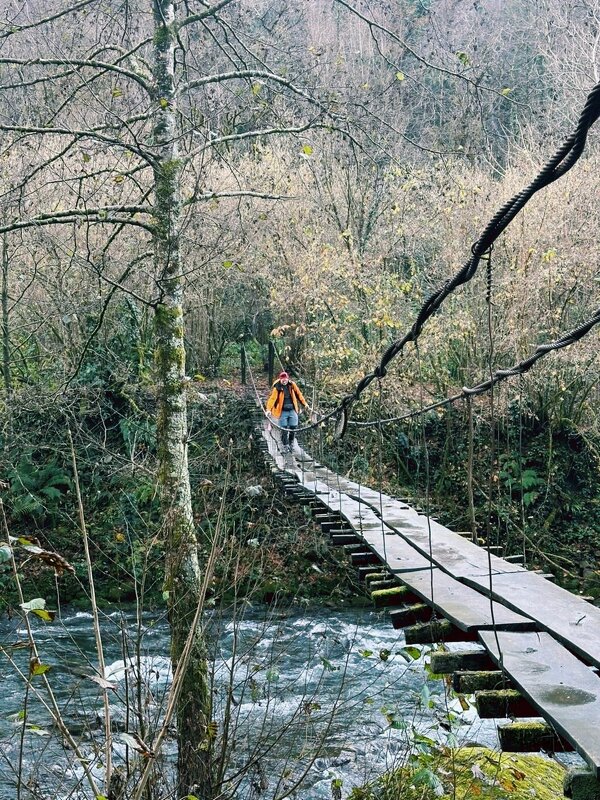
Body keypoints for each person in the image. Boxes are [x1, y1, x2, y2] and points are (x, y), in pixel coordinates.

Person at [266, 371, 308, 452]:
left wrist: (305, 404)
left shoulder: (292, 385)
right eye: (282, 380)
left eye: (285, 379)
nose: (284, 381)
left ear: (288, 379)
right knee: (284, 429)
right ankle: (285, 445)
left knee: (293, 427)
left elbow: (299, 394)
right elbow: (272, 399)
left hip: (292, 410)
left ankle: (291, 443)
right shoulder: (277, 387)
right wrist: (268, 409)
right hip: (282, 411)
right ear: (280, 379)